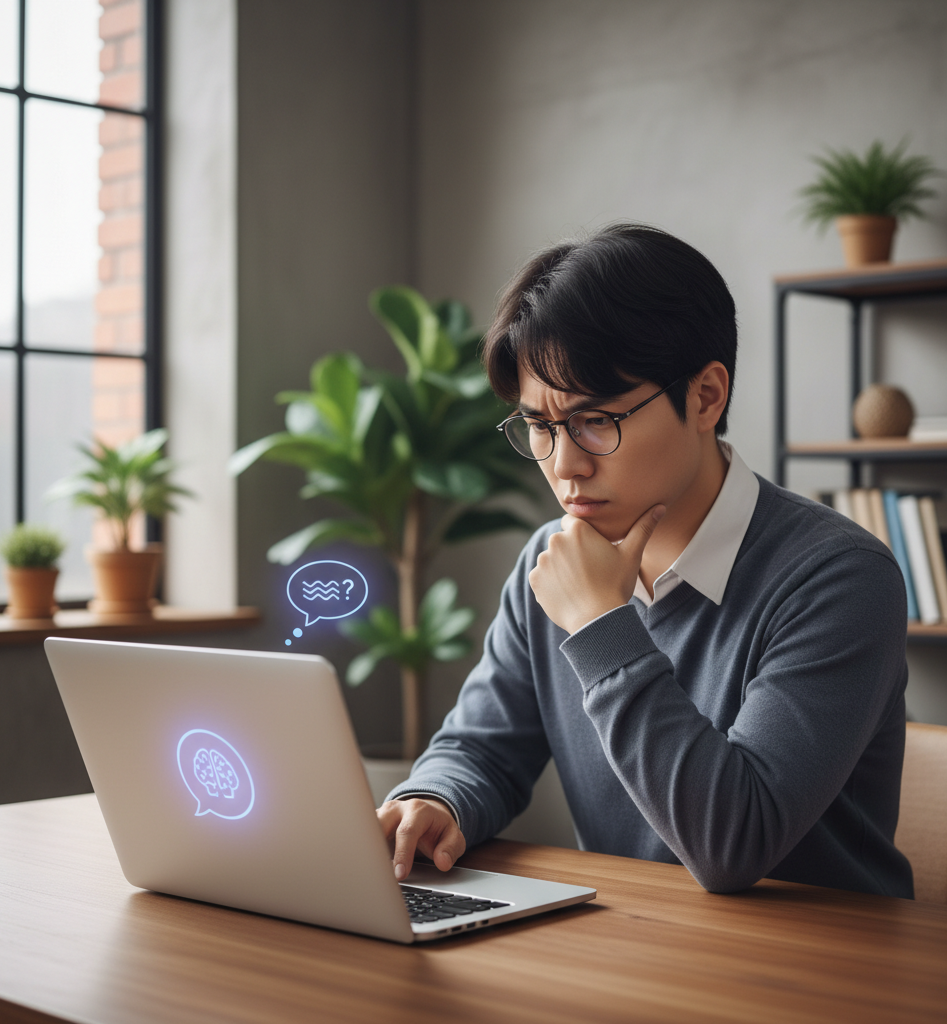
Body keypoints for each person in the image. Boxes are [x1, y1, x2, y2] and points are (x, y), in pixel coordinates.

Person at [377, 223, 913, 898]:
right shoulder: (550, 566)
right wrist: (436, 800)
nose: (563, 466)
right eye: (539, 427)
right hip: (632, 949)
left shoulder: (839, 577)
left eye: (596, 420)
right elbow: (482, 748)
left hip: (819, 974)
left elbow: (734, 843)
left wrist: (602, 624)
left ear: (706, 397)